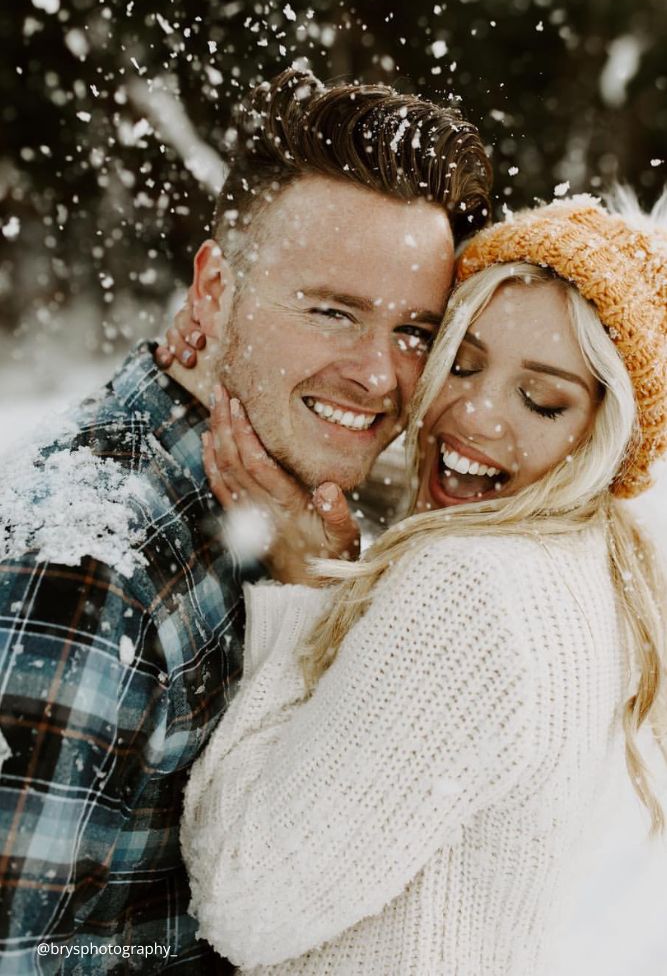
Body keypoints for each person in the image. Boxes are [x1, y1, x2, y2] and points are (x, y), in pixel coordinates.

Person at [0, 68, 490, 973]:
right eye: (332, 312)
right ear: (214, 289)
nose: (379, 377)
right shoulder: (86, 566)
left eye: (414, 332)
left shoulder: (297, 516)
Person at [181, 193, 667, 975]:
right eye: (462, 362)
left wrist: (304, 591)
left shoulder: (469, 588)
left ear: (606, 435)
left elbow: (240, 900)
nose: (472, 413)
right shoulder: (594, 571)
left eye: (540, 399)